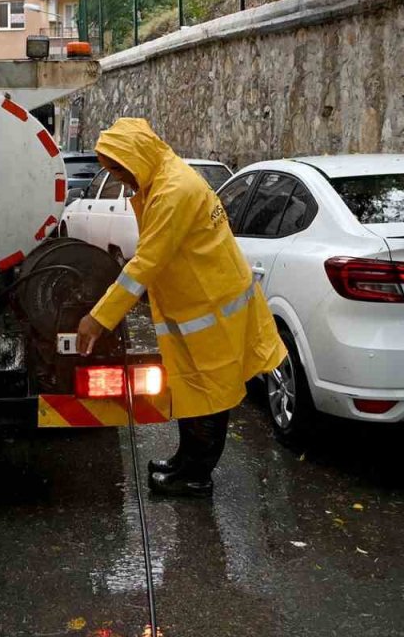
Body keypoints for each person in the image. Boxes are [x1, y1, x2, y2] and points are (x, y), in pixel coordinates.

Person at [76, 118, 286, 498]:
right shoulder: (162, 179)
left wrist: (99, 318)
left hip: (213, 311)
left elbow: (145, 263)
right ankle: (185, 461)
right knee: (192, 390)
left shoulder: (173, 190)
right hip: (196, 308)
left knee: (210, 395)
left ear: (136, 156)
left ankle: (196, 475)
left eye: (119, 170)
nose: (121, 180)